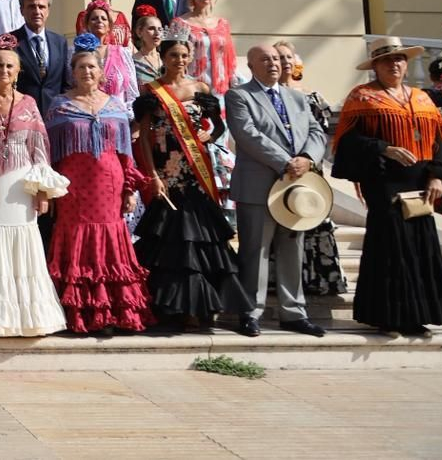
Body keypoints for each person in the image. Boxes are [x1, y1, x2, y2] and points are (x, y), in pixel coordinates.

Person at [330, 37, 442, 335]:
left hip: (420, 182)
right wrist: (383, 148)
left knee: (420, 245)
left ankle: (417, 315)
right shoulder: (362, 97)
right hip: (384, 181)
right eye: (387, 60)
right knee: (391, 246)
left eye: (399, 59)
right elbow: (347, 143)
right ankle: (389, 316)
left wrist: (437, 174)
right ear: (375, 66)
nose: (395, 64)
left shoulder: (422, 98)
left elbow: (438, 143)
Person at [0, 37, 67, 337]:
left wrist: (42, 190)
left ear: (18, 71)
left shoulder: (30, 104)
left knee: (23, 246)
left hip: (21, 186)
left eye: (9, 66)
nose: (4, 70)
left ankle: (27, 318)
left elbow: (40, 146)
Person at [130, 30, 237, 331]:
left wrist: (210, 135)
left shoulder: (200, 87)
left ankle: (200, 308)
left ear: (190, 57)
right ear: (163, 58)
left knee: (199, 236)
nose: (179, 60)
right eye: (173, 55)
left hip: (196, 170)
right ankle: (169, 308)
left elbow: (218, 126)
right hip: (167, 171)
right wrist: (151, 174)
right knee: (169, 238)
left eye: (184, 55)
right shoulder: (151, 91)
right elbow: (144, 138)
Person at [223, 43, 328, 338]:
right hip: (259, 186)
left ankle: (293, 313)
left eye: (277, 59)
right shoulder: (239, 96)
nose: (273, 64)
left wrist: (307, 159)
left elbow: (316, 131)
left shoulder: (296, 97)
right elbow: (247, 134)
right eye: (265, 60)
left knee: (292, 249)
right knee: (255, 251)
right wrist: (286, 162)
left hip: (295, 188)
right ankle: (250, 312)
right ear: (252, 66)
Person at [45, 48, 152, 334]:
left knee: (110, 238)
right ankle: (78, 313)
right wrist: (50, 189)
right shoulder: (59, 106)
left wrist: (130, 188)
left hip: (109, 183)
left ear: (101, 72)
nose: (87, 72)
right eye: (81, 67)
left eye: (92, 67)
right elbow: (48, 153)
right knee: (76, 236)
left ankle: (112, 312)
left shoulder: (116, 105)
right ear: (73, 72)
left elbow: (126, 152)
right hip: (73, 187)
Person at [274, 40, 347, 297]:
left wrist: (306, 158)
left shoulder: (311, 96)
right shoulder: (265, 96)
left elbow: (321, 134)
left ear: (296, 62)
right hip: (279, 169)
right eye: (278, 57)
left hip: (309, 168)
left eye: (287, 57)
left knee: (312, 218)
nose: (283, 61)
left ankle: (319, 279)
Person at [13, 0, 70, 117]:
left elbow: (65, 82)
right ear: (22, 10)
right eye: (31, 7)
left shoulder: (60, 42)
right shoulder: (11, 41)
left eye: (41, 7)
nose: (37, 11)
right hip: (23, 115)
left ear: (48, 11)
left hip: (55, 114)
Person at [180, 0, 236, 96]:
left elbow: (230, 58)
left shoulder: (222, 24)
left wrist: (233, 85)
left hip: (222, 89)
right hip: (194, 88)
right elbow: (176, 58)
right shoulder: (180, 23)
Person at [84, 3, 139, 102]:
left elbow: (132, 93)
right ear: (87, 25)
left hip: (118, 114)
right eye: (94, 18)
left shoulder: (122, 53)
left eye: (103, 19)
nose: (99, 21)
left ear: (109, 26)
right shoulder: (79, 53)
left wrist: (128, 114)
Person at [131, 5, 164, 86]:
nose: (157, 33)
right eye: (151, 29)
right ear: (139, 32)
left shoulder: (166, 58)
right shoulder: (132, 62)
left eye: (160, 29)